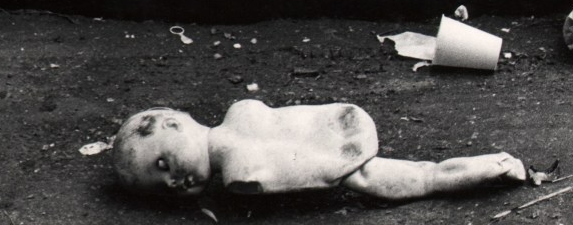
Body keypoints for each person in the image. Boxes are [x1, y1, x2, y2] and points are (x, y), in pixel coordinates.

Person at [113, 102, 526, 201]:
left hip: (339, 160)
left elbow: (281, 176)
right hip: (343, 123)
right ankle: (496, 164)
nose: (172, 180)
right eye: (162, 184)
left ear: (176, 124)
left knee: (424, 179)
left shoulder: (238, 175)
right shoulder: (240, 110)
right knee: (424, 172)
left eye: (163, 162)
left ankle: (497, 167)